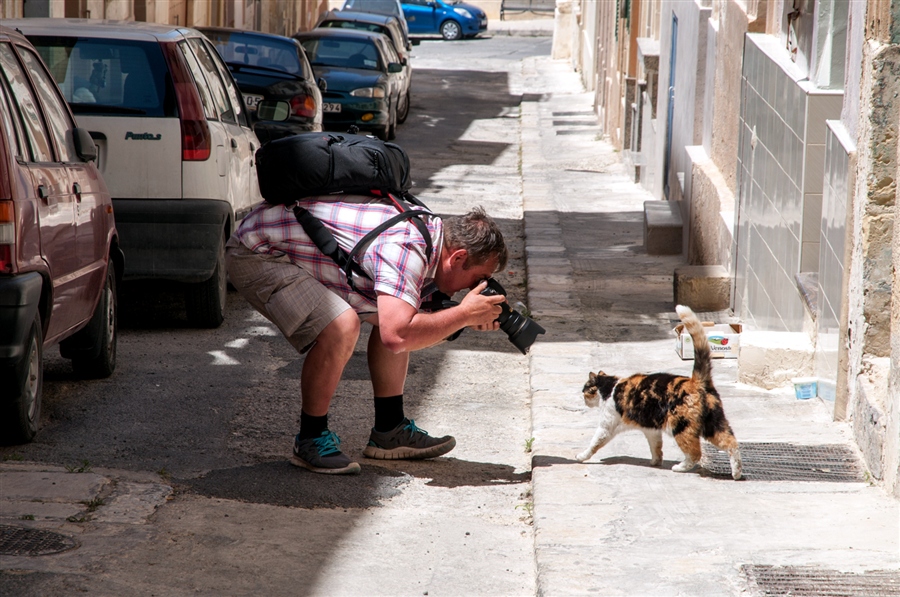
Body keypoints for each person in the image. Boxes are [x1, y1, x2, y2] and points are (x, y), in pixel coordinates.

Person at [225, 197, 509, 475]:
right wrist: (463, 315)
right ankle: (310, 438)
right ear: (458, 257)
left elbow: (409, 324)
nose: (477, 287)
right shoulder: (406, 248)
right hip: (257, 253)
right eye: (477, 279)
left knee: (404, 310)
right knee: (343, 326)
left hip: (287, 245)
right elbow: (397, 336)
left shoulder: (430, 232)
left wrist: (464, 318)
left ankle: (389, 429)